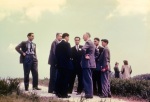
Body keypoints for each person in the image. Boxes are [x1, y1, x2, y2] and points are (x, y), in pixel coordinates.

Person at [55, 33, 73, 98]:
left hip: (60, 65)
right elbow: (69, 54)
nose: (68, 39)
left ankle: (58, 93)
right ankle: (64, 94)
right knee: (65, 79)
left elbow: (56, 55)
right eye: (68, 37)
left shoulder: (58, 45)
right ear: (66, 37)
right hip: (66, 65)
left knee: (60, 79)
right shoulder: (67, 44)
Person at [81, 32, 96, 99]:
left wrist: (85, 55)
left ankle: (88, 94)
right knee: (89, 79)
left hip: (87, 64)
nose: (83, 37)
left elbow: (83, 49)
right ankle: (90, 94)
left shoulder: (88, 42)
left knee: (87, 79)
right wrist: (92, 57)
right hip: (91, 63)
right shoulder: (92, 43)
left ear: (87, 36)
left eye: (83, 36)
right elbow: (97, 52)